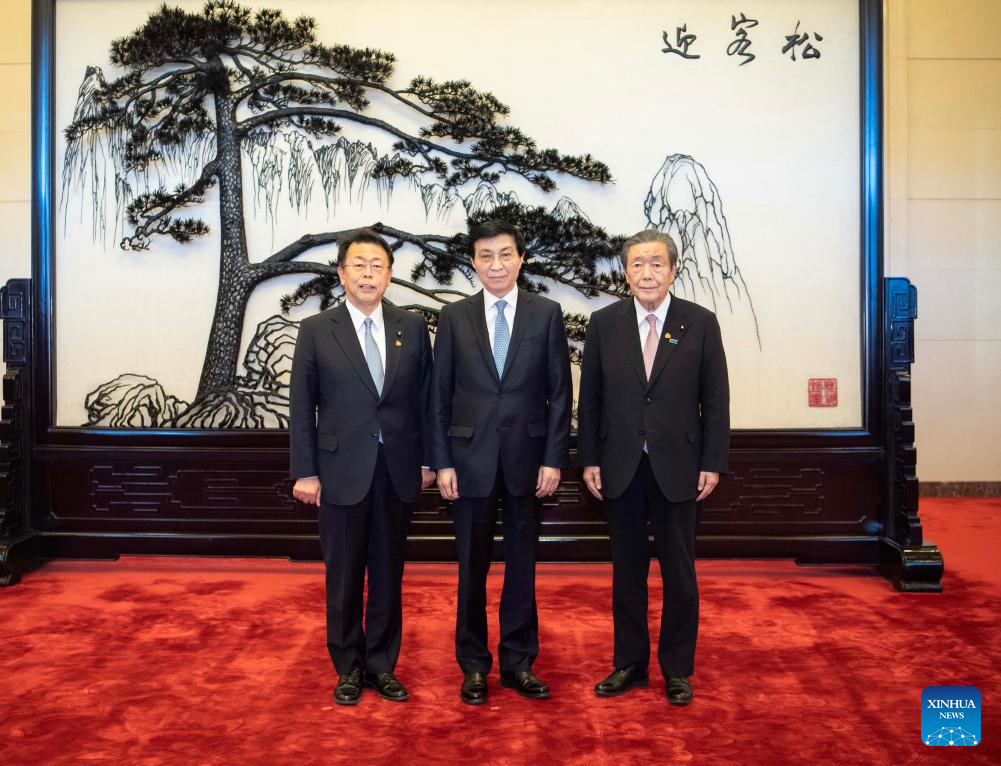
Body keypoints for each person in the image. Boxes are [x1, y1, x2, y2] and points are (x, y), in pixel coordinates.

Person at [577, 229, 729, 706]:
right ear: (625, 273)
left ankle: (678, 669)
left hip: (680, 466)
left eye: (656, 264)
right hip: (619, 465)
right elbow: (592, 399)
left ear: (673, 270)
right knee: (627, 570)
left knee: (679, 571)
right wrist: (589, 460)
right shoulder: (604, 323)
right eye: (637, 264)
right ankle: (630, 663)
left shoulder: (700, 323)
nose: (647, 272)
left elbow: (716, 400)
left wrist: (713, 461)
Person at [289, 228, 435, 706]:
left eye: (377, 265)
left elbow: (426, 402)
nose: (368, 273)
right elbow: (302, 407)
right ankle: (347, 667)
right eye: (359, 265)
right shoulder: (316, 330)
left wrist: (431, 460)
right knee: (345, 574)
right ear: (342, 273)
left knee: (390, 573)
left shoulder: (411, 328)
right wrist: (305, 472)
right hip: (338, 472)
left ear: (390, 275)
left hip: (397, 469)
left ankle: (381, 665)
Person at [430, 219, 572, 704]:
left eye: (505, 254)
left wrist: (554, 459)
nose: (496, 264)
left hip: (527, 464)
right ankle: (472, 665)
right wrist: (442, 462)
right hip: (467, 464)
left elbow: (559, 393)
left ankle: (518, 663)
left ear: (520, 259)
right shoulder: (453, 317)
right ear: (473, 263)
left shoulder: (546, 313)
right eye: (486, 256)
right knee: (471, 569)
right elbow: (439, 398)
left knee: (522, 567)